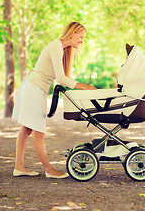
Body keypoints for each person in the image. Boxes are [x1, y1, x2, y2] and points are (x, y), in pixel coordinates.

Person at [12, 21, 96, 179]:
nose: (81, 41)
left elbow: (60, 78)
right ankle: (49, 169)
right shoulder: (56, 46)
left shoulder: (61, 48)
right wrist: (84, 87)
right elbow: (61, 79)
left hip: (33, 86)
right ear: (73, 33)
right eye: (81, 37)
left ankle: (19, 167)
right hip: (34, 88)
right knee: (39, 131)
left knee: (26, 129)